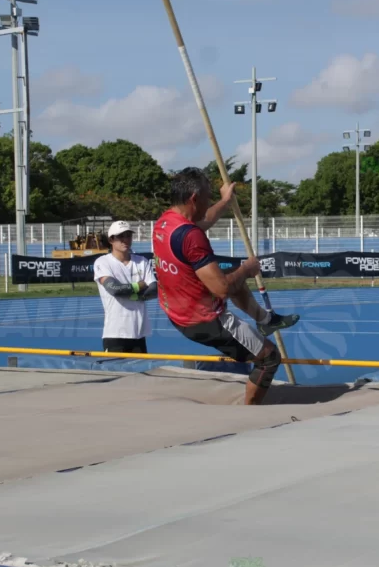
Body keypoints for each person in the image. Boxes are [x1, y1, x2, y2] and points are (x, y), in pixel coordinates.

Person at [152, 167, 299, 405]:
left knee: (233, 278)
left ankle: (265, 320)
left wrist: (225, 201)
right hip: (204, 320)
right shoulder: (191, 237)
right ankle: (248, 412)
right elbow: (221, 289)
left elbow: (204, 219)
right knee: (269, 357)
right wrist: (248, 269)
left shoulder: (165, 222)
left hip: (177, 310)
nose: (209, 202)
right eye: (208, 197)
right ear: (194, 198)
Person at [93, 220, 157, 353]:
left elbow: (154, 290)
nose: (125, 240)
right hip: (115, 334)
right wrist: (138, 286)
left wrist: (131, 294)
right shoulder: (103, 262)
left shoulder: (142, 261)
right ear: (111, 240)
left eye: (128, 235)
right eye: (120, 236)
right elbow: (115, 289)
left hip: (139, 334)